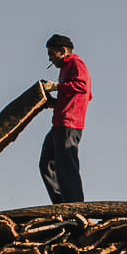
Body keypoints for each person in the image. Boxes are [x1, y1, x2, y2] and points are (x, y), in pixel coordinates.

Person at [39, 34, 92, 204]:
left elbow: (84, 87)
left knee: (66, 166)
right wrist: (55, 103)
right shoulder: (64, 69)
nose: (50, 58)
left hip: (69, 124)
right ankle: (61, 203)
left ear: (63, 51)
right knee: (46, 164)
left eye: (52, 54)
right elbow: (80, 93)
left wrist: (57, 86)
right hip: (59, 123)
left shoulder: (76, 63)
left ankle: (75, 205)